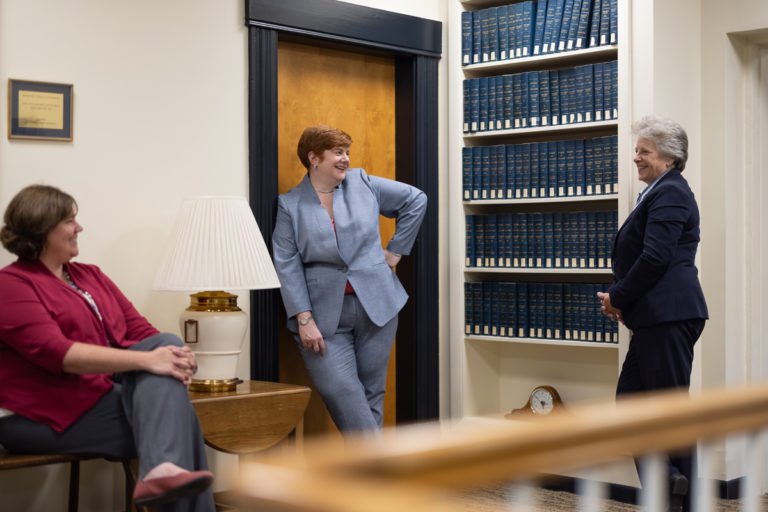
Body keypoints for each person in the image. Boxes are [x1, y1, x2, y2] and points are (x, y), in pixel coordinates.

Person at [0, 185, 215, 511]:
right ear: (42, 228)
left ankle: (162, 468)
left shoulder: (90, 276)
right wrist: (150, 362)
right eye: (70, 220)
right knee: (181, 419)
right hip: (39, 414)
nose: (79, 228)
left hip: (99, 394)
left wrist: (175, 357)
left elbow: (143, 333)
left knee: (167, 343)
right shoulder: (11, 285)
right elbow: (61, 354)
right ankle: (162, 468)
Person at [272, 125, 427, 434]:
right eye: (338, 153)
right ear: (314, 158)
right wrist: (304, 319)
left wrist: (395, 252)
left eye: (347, 152)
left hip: (378, 306)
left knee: (372, 394)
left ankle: (368, 479)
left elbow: (415, 200)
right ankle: (382, 471)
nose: (346, 159)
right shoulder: (290, 205)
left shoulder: (362, 182)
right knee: (343, 393)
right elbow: (286, 263)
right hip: (324, 317)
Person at [597, 115, 708, 512]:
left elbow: (656, 257)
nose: (636, 158)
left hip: (669, 316)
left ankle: (684, 499)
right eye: (637, 150)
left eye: (644, 151)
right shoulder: (659, 191)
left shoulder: (673, 191)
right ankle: (667, 482)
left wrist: (618, 297)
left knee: (671, 412)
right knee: (631, 405)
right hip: (655, 319)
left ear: (668, 157)